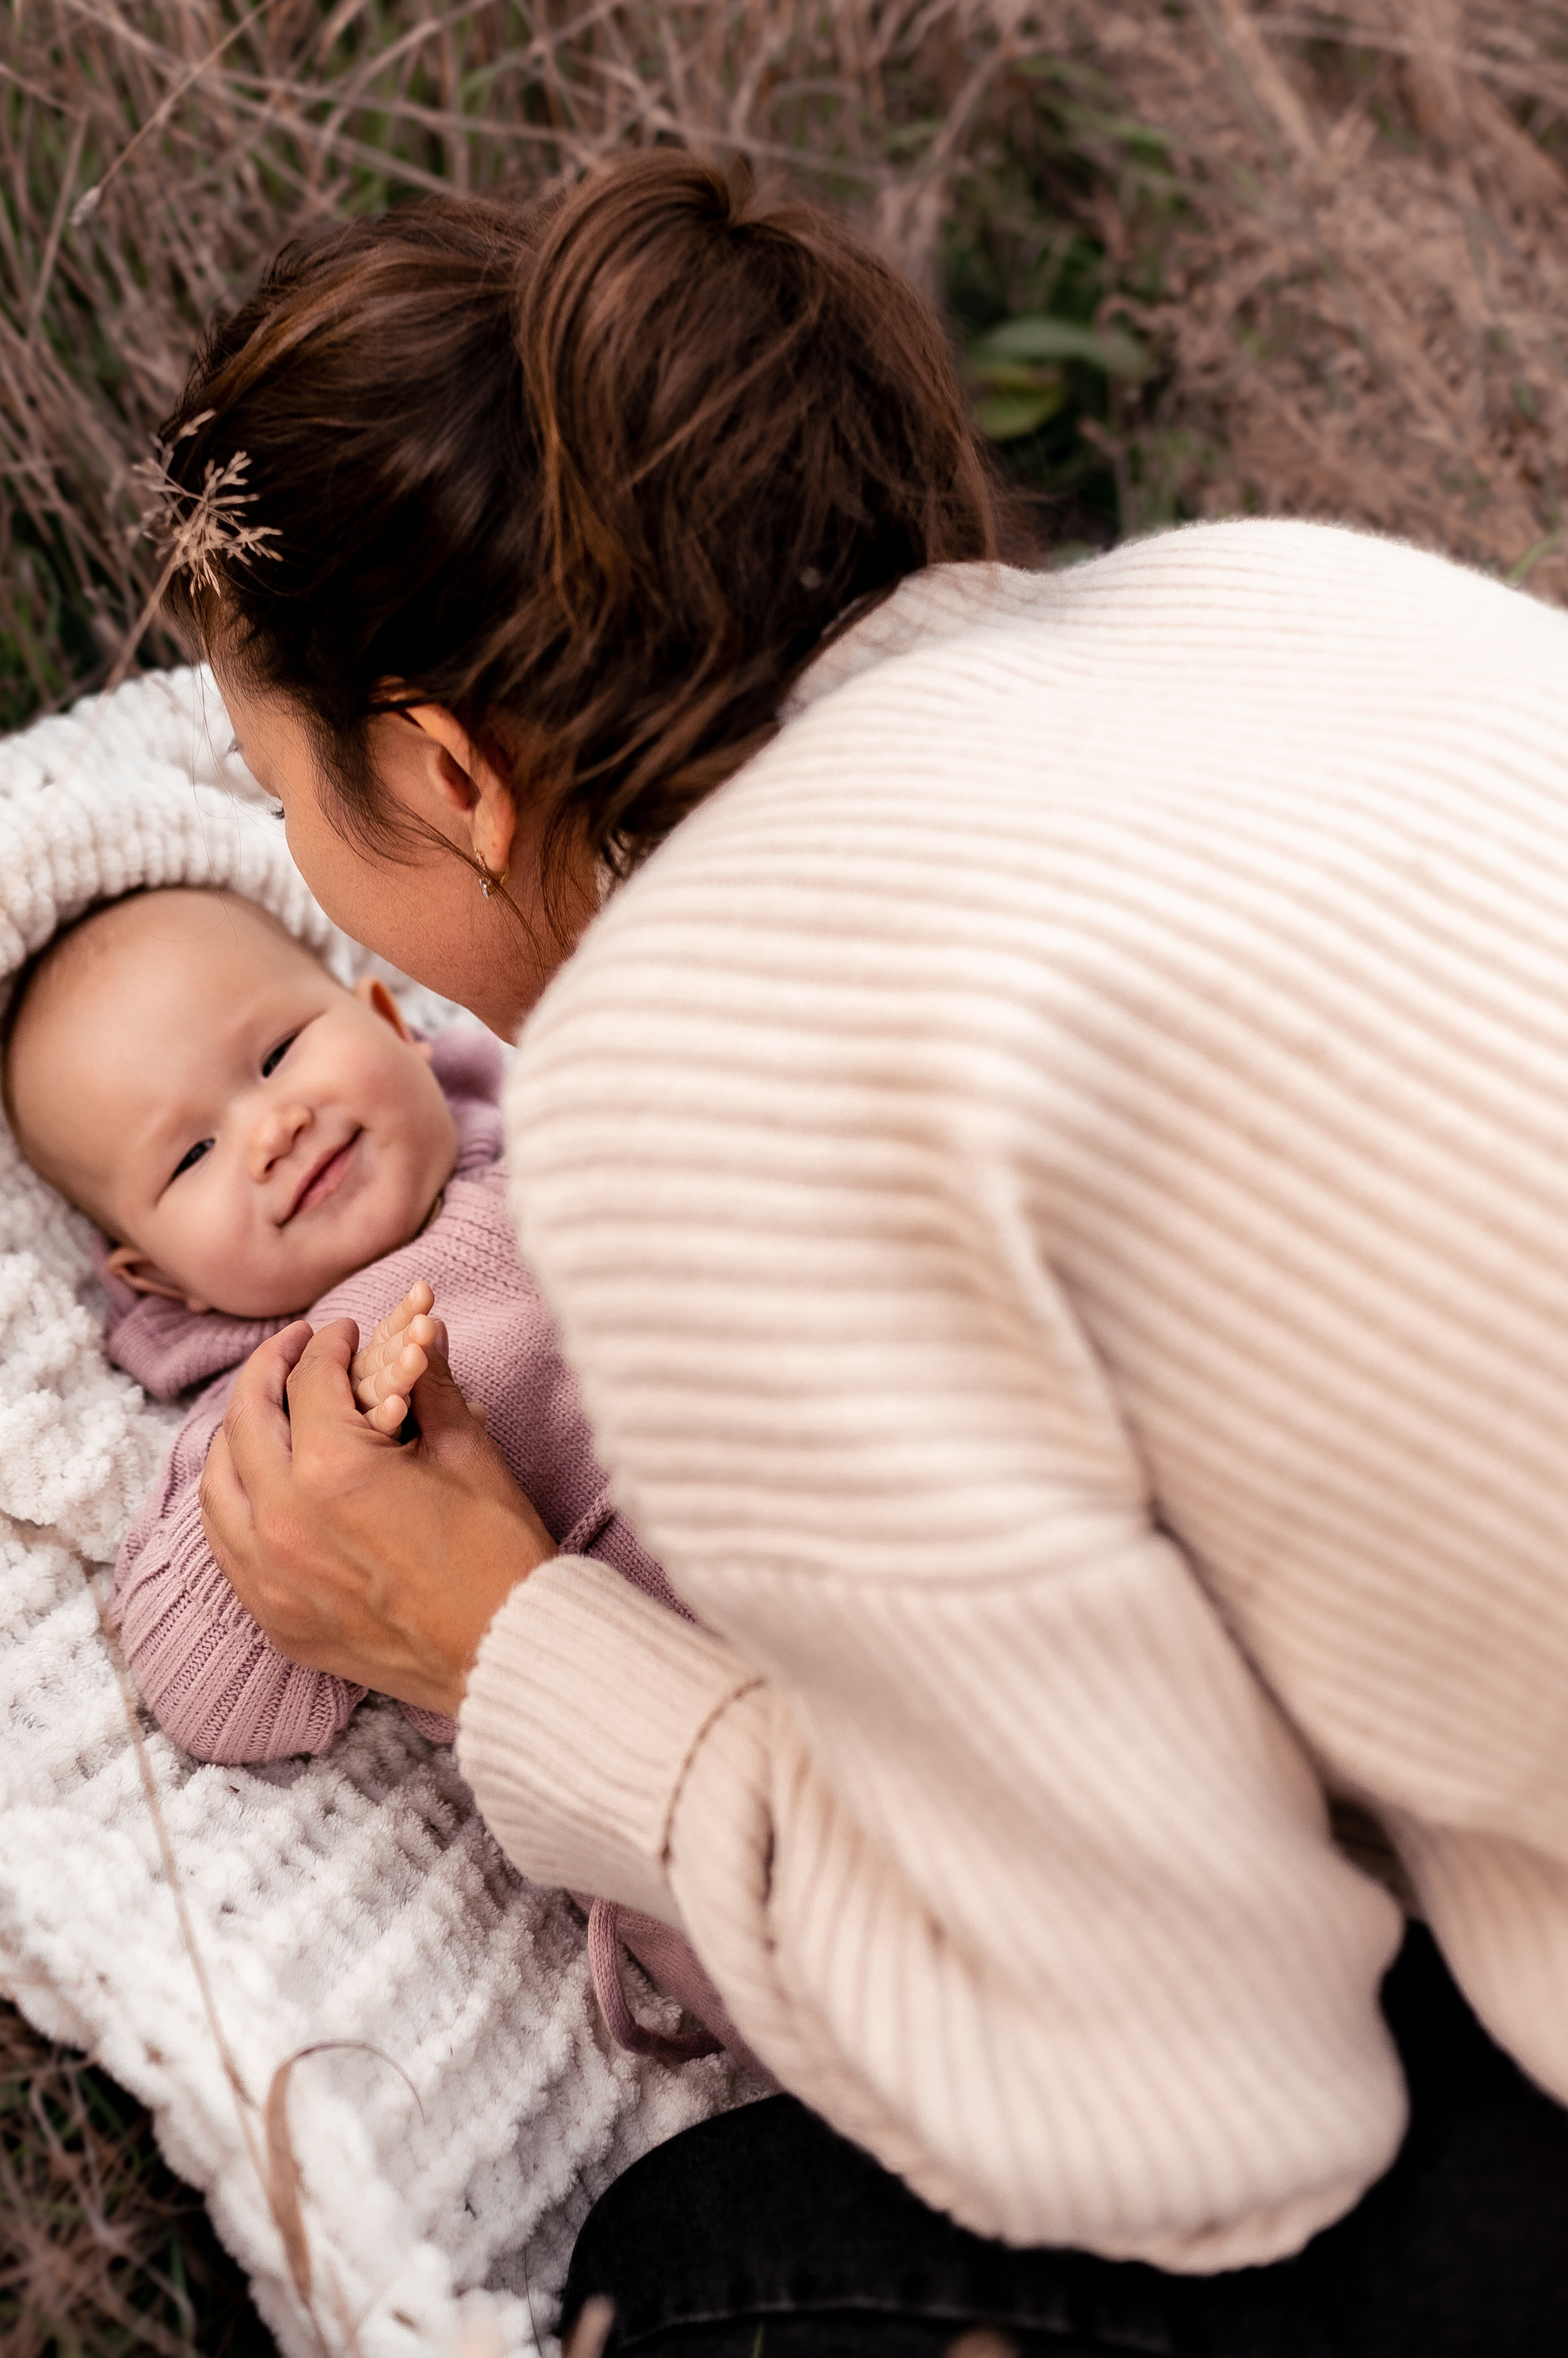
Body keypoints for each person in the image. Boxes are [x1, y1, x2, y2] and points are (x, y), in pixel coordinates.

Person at [141, 151, 1568, 2354]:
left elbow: (1215, 2113)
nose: (328, 907)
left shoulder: (695, 1066)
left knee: (702, 2269)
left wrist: (513, 1650)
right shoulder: (1269, 592)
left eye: (294, 807)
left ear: (449, 774)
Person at [0, 882, 749, 2065]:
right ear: (163, 1282)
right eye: (192, 1152)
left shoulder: (575, 1109)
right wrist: (323, 1460)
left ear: (393, 1021)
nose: (271, 1126)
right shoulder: (285, 1404)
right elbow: (203, 1687)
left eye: (280, 1051)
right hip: (700, 1806)